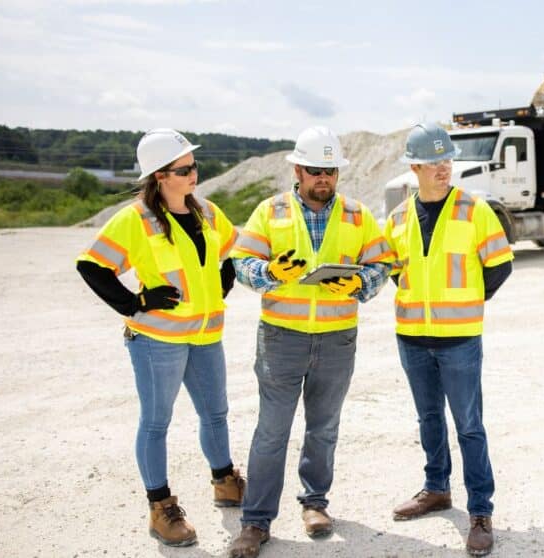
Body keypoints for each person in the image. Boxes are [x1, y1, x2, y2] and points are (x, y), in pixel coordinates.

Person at [226, 126, 395, 558]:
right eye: (316, 170)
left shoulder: (358, 215)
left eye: (332, 171)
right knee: (272, 431)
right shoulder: (271, 210)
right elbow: (242, 264)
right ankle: (256, 522)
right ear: (298, 170)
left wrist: (358, 283)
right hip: (281, 338)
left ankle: (315, 504)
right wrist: (271, 274)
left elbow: (383, 264)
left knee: (323, 428)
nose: (325, 178)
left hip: (337, 339)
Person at [76, 128, 245, 547]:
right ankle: (161, 508)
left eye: (194, 166)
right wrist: (136, 302)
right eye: (184, 169)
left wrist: (223, 281)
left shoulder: (206, 210)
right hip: (158, 341)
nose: (194, 175)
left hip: (206, 336)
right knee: (156, 422)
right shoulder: (135, 220)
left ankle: (225, 481)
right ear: (160, 176)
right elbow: (92, 266)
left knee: (216, 413)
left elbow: (232, 249)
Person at [384, 123, 513, 556]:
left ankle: (480, 511)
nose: (444, 169)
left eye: (448, 160)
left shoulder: (475, 209)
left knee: (469, 426)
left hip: (459, 338)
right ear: (415, 167)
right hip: (412, 338)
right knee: (428, 420)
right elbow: (393, 270)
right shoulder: (399, 217)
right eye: (435, 162)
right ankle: (436, 489)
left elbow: (499, 265)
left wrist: (467, 302)